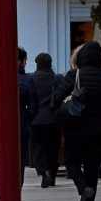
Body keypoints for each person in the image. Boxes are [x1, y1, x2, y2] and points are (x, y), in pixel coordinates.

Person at [51, 41, 101, 201]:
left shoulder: (74, 75)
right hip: (98, 128)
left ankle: (84, 189)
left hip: (75, 127)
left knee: (72, 162)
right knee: (92, 166)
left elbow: (56, 99)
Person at [0, 47, 38, 194]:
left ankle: (1, 190)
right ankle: (15, 193)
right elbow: (34, 107)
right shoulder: (28, 80)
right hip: (21, 127)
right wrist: (26, 119)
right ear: (21, 62)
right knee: (19, 162)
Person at [29, 53, 65, 188]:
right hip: (54, 118)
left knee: (38, 148)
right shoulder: (57, 78)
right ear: (50, 63)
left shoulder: (31, 78)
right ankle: (53, 175)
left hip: (37, 119)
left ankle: (44, 171)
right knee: (53, 148)